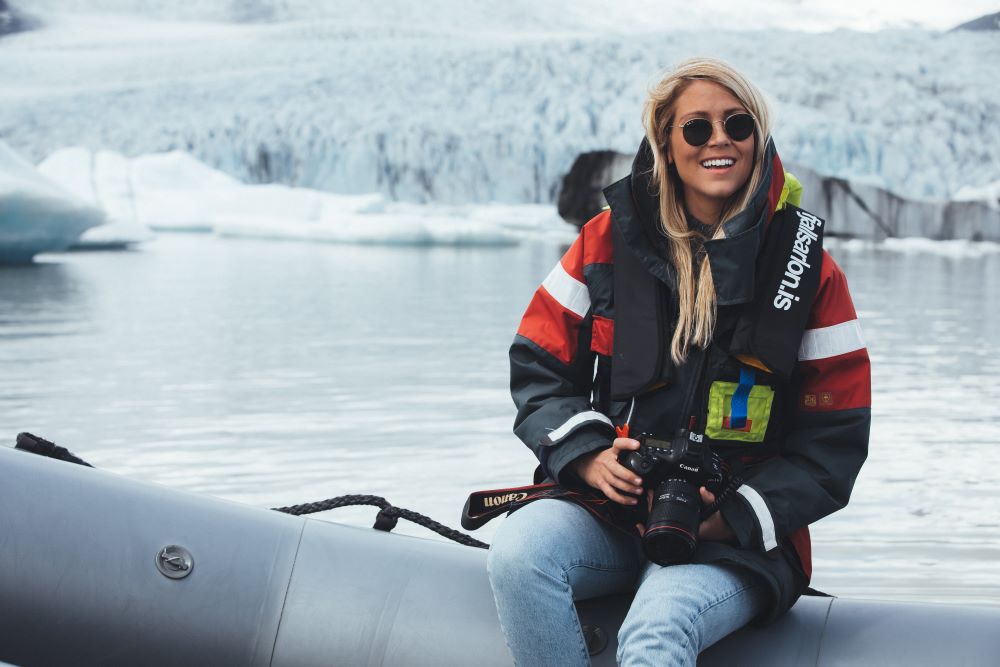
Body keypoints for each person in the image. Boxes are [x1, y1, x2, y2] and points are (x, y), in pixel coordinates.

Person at [486, 57, 871, 666]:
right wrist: (584, 454)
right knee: (519, 557)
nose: (719, 141)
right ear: (666, 141)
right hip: (607, 513)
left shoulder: (808, 274)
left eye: (737, 125)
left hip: (737, 543)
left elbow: (835, 443)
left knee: (658, 628)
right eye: (697, 128)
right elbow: (539, 364)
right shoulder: (605, 242)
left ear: (758, 138)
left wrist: (732, 516)